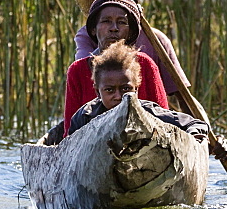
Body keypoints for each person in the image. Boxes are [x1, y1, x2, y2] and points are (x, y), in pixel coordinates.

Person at [63, 0, 168, 134]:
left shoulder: (146, 65)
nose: (114, 28)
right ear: (93, 29)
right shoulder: (77, 70)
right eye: (106, 21)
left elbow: (164, 120)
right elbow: (69, 133)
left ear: (130, 32)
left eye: (121, 22)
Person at [73, 0, 189, 96]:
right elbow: (84, 72)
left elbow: (181, 93)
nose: (116, 2)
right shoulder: (87, 35)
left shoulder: (156, 41)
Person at [68, 42, 209, 141]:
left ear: (136, 89)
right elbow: (69, 149)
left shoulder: (148, 111)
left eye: (126, 89)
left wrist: (194, 134)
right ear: (98, 92)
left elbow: (195, 123)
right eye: (109, 90)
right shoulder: (85, 116)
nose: (118, 97)